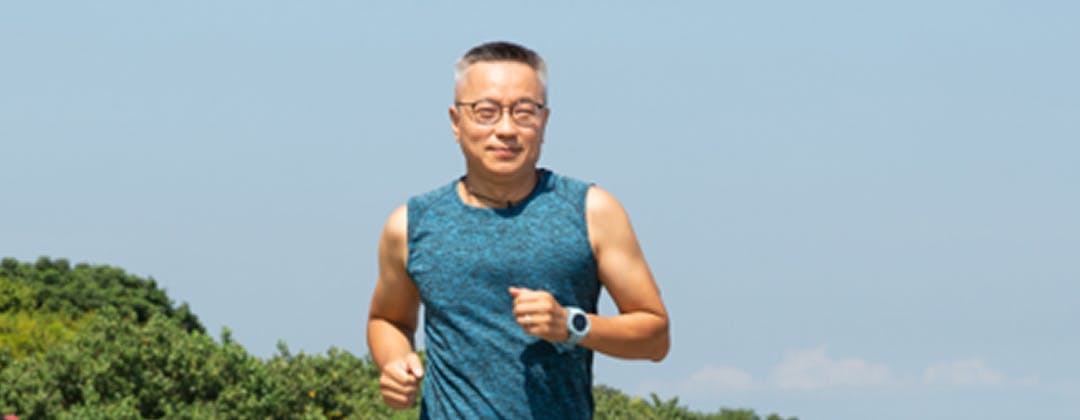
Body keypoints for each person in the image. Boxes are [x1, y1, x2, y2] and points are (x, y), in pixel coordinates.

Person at [366, 41, 669, 419]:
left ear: (544, 121)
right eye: (486, 112)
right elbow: (388, 319)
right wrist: (395, 363)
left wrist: (571, 325)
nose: (506, 129)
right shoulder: (410, 224)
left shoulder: (593, 211)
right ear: (456, 122)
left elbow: (655, 338)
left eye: (524, 112)